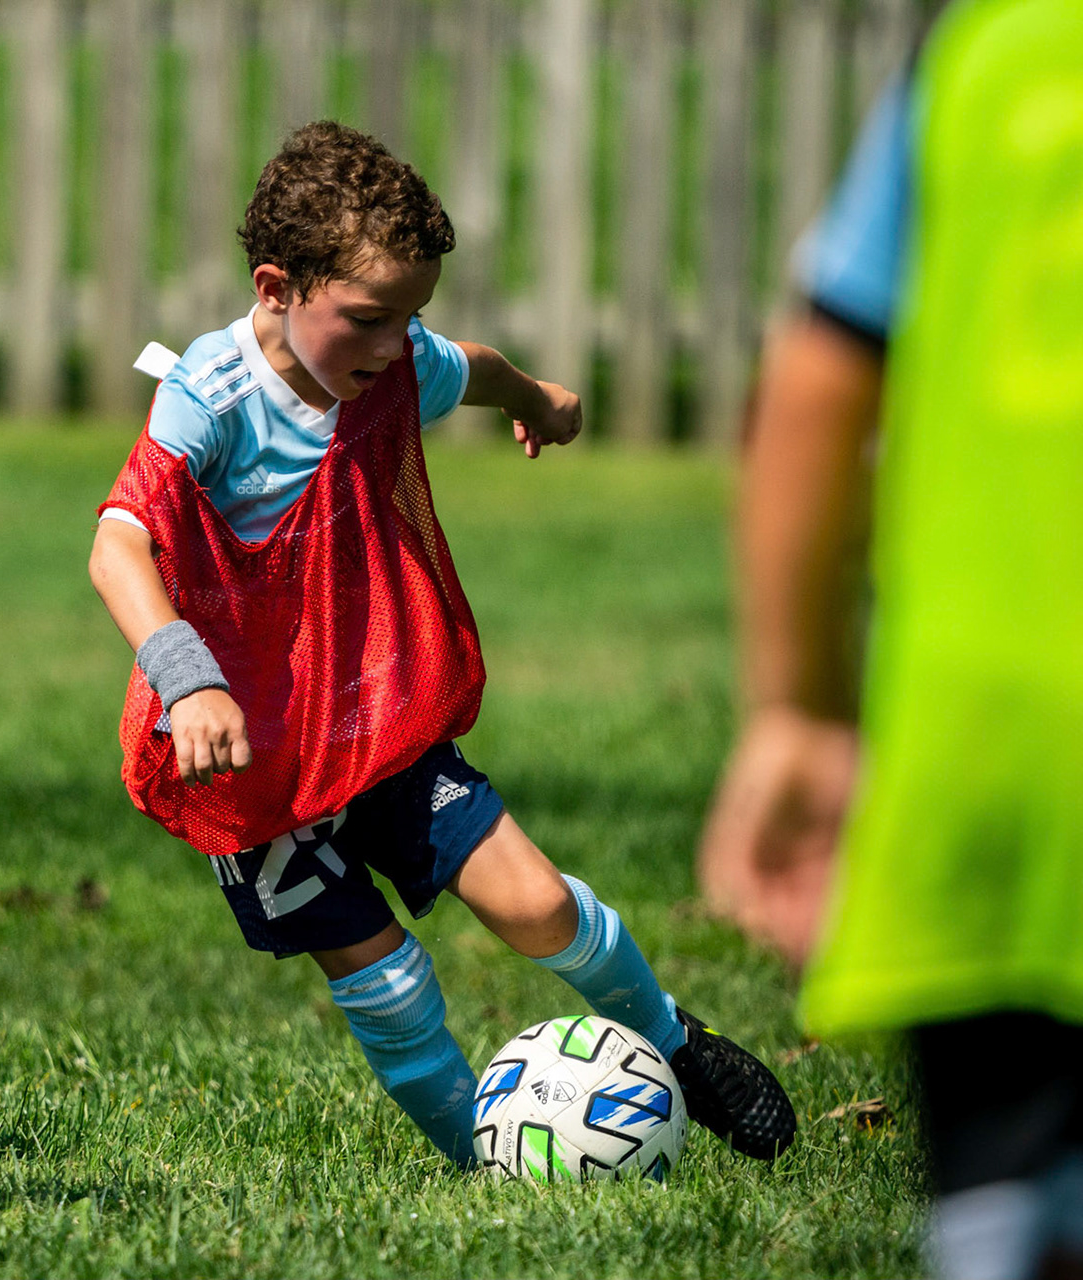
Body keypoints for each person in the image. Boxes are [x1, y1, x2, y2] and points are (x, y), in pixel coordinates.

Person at [88, 120, 795, 1170]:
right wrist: (188, 681)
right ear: (276, 285)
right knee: (394, 981)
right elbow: (118, 544)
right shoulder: (213, 391)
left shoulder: (390, 360)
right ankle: (490, 1167)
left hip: (369, 721)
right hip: (246, 759)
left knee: (540, 900)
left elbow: (464, 365)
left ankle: (677, 1042)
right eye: (369, 318)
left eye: (409, 314)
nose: (390, 346)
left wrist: (538, 400)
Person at [697, 1, 1083, 1273]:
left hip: (999, 758)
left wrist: (799, 707)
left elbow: (816, 378)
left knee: (1004, 1199)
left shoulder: (988, 49)